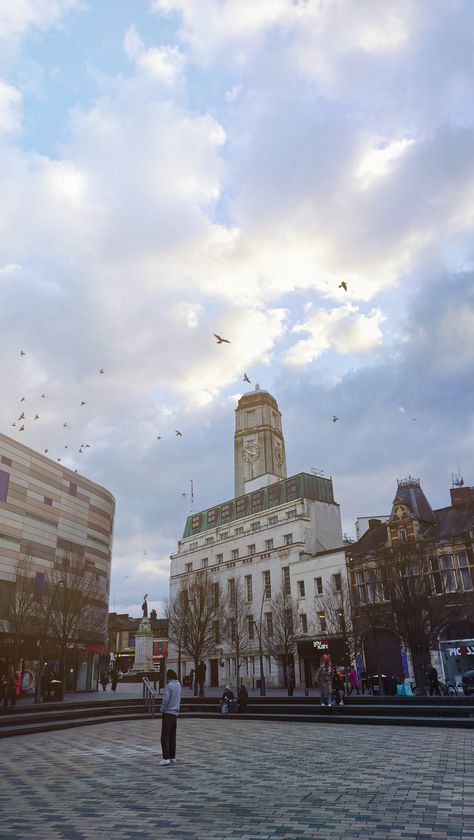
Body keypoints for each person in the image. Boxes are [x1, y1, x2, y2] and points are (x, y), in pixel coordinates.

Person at [160, 669, 181, 766]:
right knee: (172, 736)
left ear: (169, 677)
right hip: (175, 712)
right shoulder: (178, 685)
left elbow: (166, 699)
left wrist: (162, 709)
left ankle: (166, 758)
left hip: (168, 712)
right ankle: (173, 757)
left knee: (165, 736)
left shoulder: (169, 686)